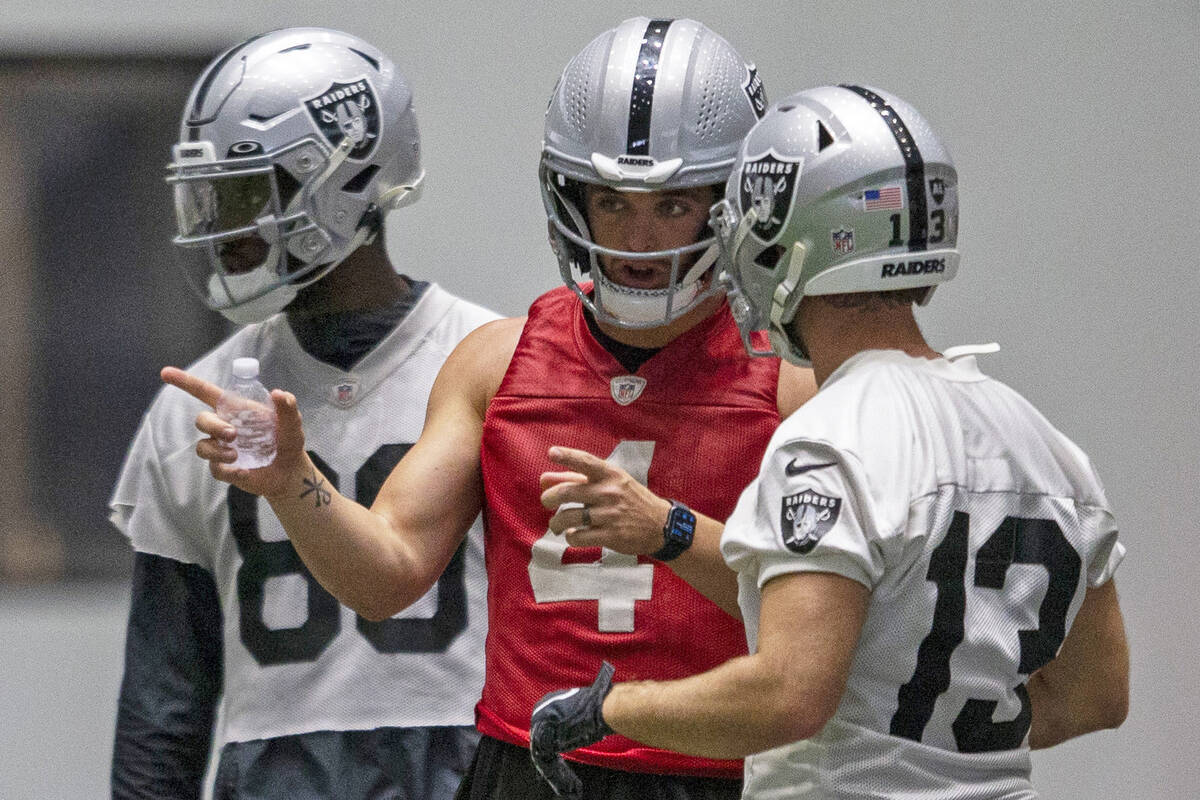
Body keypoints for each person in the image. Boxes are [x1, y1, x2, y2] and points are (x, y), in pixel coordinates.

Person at [162, 17, 816, 800]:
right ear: (571, 197)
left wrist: (669, 532)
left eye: (673, 206)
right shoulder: (498, 363)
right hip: (526, 771)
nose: (640, 239)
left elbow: (812, 639)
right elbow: (388, 575)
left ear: (726, 204)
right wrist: (294, 482)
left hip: (720, 775)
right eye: (612, 203)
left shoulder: (791, 385)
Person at [529, 85, 1129, 800]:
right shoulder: (1049, 447)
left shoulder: (827, 437)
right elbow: (1096, 696)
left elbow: (787, 694)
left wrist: (608, 707)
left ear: (787, 240)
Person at [110, 28, 498, 800]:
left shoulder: (496, 366)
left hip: (466, 767)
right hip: (273, 774)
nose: (227, 225)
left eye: (249, 192)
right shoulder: (197, 401)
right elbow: (165, 704)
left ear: (347, 180)